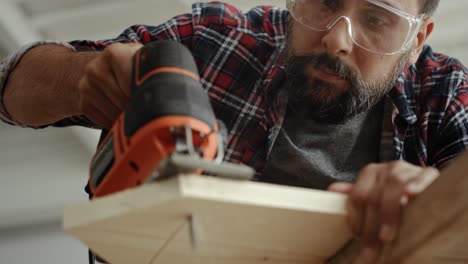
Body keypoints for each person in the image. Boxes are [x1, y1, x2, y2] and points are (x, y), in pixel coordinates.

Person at [1, 0, 466, 262]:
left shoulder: (444, 96)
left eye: (377, 19)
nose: (337, 38)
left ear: (415, 40)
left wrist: (437, 200)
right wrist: (81, 77)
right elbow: (10, 85)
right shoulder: (212, 40)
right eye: (325, 2)